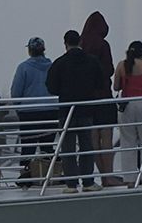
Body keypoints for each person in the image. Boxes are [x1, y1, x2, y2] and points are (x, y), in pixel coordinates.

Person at [42, 28, 107, 193]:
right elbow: (101, 83)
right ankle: (88, 182)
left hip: (66, 110)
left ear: (65, 44)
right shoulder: (92, 61)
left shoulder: (59, 63)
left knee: (68, 148)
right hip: (86, 110)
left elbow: (51, 87)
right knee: (87, 146)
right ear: (80, 42)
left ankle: (71, 184)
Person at [9, 36, 58, 184]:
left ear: (29, 51)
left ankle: (26, 176)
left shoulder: (23, 68)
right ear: (43, 50)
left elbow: (16, 92)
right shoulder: (52, 67)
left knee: (28, 148)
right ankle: (50, 176)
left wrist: (19, 107)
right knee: (47, 147)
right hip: (51, 112)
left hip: (29, 113)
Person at [79, 11, 120, 186]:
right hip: (103, 96)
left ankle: (102, 175)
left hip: (87, 98)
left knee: (93, 139)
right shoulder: (103, 45)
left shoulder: (81, 45)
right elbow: (109, 69)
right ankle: (108, 176)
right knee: (107, 138)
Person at [113, 40, 142, 186]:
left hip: (127, 105)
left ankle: (129, 179)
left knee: (127, 142)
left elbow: (116, 87)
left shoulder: (121, 65)